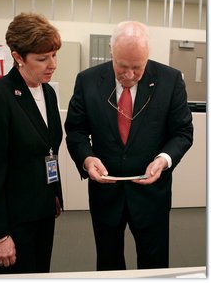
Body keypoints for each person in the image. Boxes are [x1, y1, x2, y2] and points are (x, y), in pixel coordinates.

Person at [64, 21, 193, 271]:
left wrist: (164, 159)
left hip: (152, 195)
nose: (130, 76)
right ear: (111, 51)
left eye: (138, 67)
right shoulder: (88, 80)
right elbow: (76, 131)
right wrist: (87, 159)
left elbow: (183, 132)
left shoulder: (170, 80)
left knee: (155, 265)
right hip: (105, 194)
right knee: (108, 263)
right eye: (122, 67)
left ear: (147, 57)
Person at [0, 12, 63, 274]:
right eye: (42, 58)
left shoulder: (48, 92)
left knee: (39, 274)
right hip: (12, 220)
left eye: (54, 55)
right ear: (18, 57)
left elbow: (48, 148)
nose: (52, 64)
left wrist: (53, 192)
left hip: (42, 211)